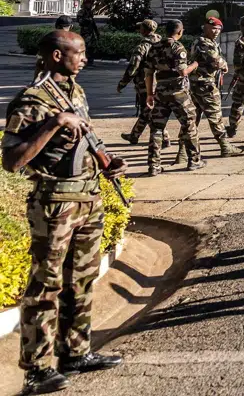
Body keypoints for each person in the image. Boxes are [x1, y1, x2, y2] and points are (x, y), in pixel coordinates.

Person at [4, 30, 126, 394]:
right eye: (80, 53)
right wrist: (54, 124)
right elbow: (11, 161)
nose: (85, 58)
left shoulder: (75, 91)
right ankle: (37, 369)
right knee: (46, 285)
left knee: (82, 280)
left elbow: (81, 142)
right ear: (57, 56)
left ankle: (75, 352)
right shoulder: (32, 100)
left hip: (88, 199)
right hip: (55, 205)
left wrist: (106, 165)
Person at [145, 21, 203, 175]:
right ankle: (194, 160)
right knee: (190, 124)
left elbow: (149, 73)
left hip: (160, 94)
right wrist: (194, 65)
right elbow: (183, 71)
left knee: (157, 129)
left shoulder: (154, 47)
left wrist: (150, 94)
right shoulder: (178, 47)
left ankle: (154, 165)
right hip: (178, 94)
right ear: (180, 32)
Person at [188, 16, 236, 158]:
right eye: (212, 28)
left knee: (192, 118)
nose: (215, 31)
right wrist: (224, 64)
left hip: (197, 85)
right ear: (205, 28)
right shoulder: (204, 43)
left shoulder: (207, 41)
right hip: (205, 85)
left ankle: (184, 152)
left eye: (218, 29)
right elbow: (215, 61)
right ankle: (225, 146)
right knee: (215, 116)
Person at [117, 20, 165, 148]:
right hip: (161, 82)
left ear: (144, 30)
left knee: (149, 110)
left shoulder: (142, 47)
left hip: (145, 83)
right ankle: (135, 135)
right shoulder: (163, 44)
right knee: (148, 110)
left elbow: (133, 67)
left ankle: (164, 138)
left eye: (140, 28)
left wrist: (123, 83)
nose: (139, 30)